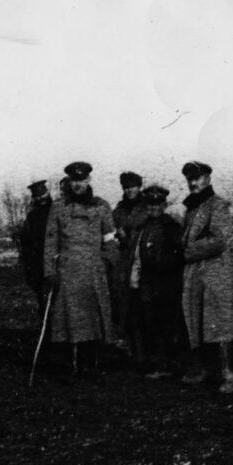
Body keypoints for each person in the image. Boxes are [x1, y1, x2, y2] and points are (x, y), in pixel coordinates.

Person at [43, 162, 116, 380]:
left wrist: (107, 262)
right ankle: (72, 366)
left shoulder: (101, 206)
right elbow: (50, 242)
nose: (78, 185)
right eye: (74, 181)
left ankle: (92, 365)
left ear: (88, 181)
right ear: (69, 182)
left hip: (94, 271)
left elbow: (110, 239)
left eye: (82, 180)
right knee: (71, 321)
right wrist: (50, 272)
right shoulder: (58, 207)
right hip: (68, 272)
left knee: (94, 320)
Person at [180, 161, 233, 394]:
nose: (193, 183)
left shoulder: (218, 205)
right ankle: (202, 369)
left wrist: (186, 251)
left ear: (208, 179)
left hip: (215, 274)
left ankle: (227, 374)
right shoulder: (192, 208)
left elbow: (219, 240)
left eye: (198, 178)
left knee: (220, 324)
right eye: (190, 179)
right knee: (196, 321)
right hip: (195, 274)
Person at [128, 185, 186, 377]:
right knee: (149, 323)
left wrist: (160, 263)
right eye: (150, 205)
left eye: (157, 205)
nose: (154, 209)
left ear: (164, 205)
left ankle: (172, 363)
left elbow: (178, 256)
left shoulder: (172, 226)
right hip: (147, 283)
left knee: (167, 323)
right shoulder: (143, 227)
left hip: (165, 283)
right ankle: (157, 362)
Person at [111, 171, 148, 346]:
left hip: (144, 263)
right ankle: (132, 345)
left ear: (139, 186)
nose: (129, 190)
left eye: (132, 186)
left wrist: (129, 235)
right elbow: (110, 233)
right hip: (124, 265)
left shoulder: (148, 207)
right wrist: (118, 236)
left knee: (145, 305)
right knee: (126, 305)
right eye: (126, 187)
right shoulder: (118, 211)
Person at [19, 180, 53, 313]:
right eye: (37, 196)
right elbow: (26, 244)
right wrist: (30, 271)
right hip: (39, 268)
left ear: (48, 193)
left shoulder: (57, 211)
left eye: (43, 194)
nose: (41, 198)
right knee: (45, 305)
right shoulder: (31, 217)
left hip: (57, 265)